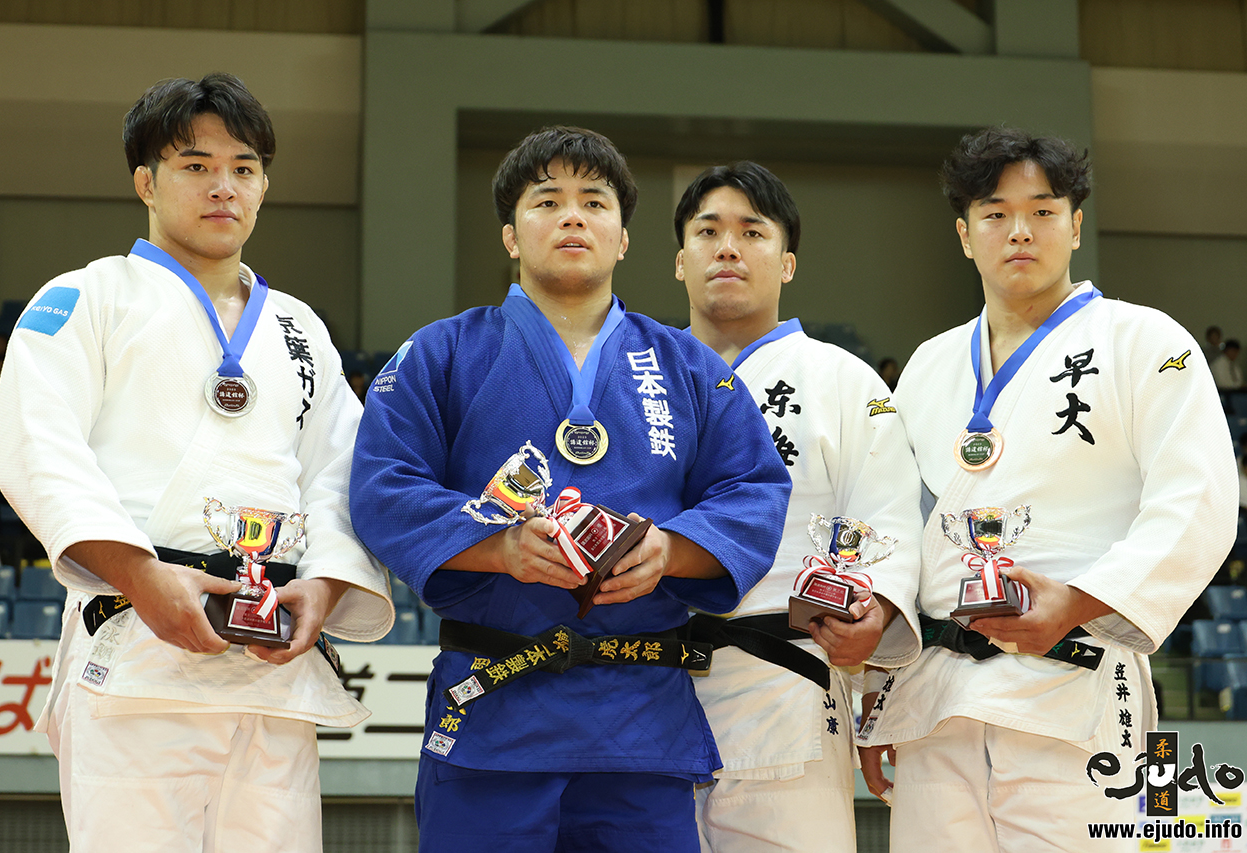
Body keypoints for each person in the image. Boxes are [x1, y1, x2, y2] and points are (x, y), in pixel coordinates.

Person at [349, 127, 791, 853]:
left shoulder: (687, 365)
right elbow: (383, 484)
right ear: (510, 236)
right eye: (546, 201)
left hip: (639, 720)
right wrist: (499, 546)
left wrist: (672, 550)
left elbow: (753, 488)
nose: (573, 216)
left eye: (595, 201)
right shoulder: (443, 351)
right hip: (495, 711)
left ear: (623, 238)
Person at [0, 74, 394, 853]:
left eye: (244, 168)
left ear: (265, 185)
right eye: (196, 165)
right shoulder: (88, 296)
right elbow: (38, 444)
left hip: (271, 661)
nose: (224, 187)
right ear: (145, 182)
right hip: (138, 647)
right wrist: (144, 577)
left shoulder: (300, 328)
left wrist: (326, 581)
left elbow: (341, 470)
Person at [856, 127, 1237, 851]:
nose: (1020, 231)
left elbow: (1198, 500)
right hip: (939, 704)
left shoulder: (1146, 341)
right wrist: (881, 691)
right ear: (965, 235)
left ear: (1076, 225)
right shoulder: (929, 367)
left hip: (1077, 688)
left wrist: (1080, 599)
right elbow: (898, 528)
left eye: (1043, 210)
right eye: (995, 213)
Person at [675, 161, 923, 852]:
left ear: (787, 262)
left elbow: (887, 520)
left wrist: (873, 621)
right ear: (679, 260)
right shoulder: (638, 377)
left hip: (788, 680)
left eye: (752, 232)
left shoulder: (843, 379)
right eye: (708, 231)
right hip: (646, 684)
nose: (728, 247)